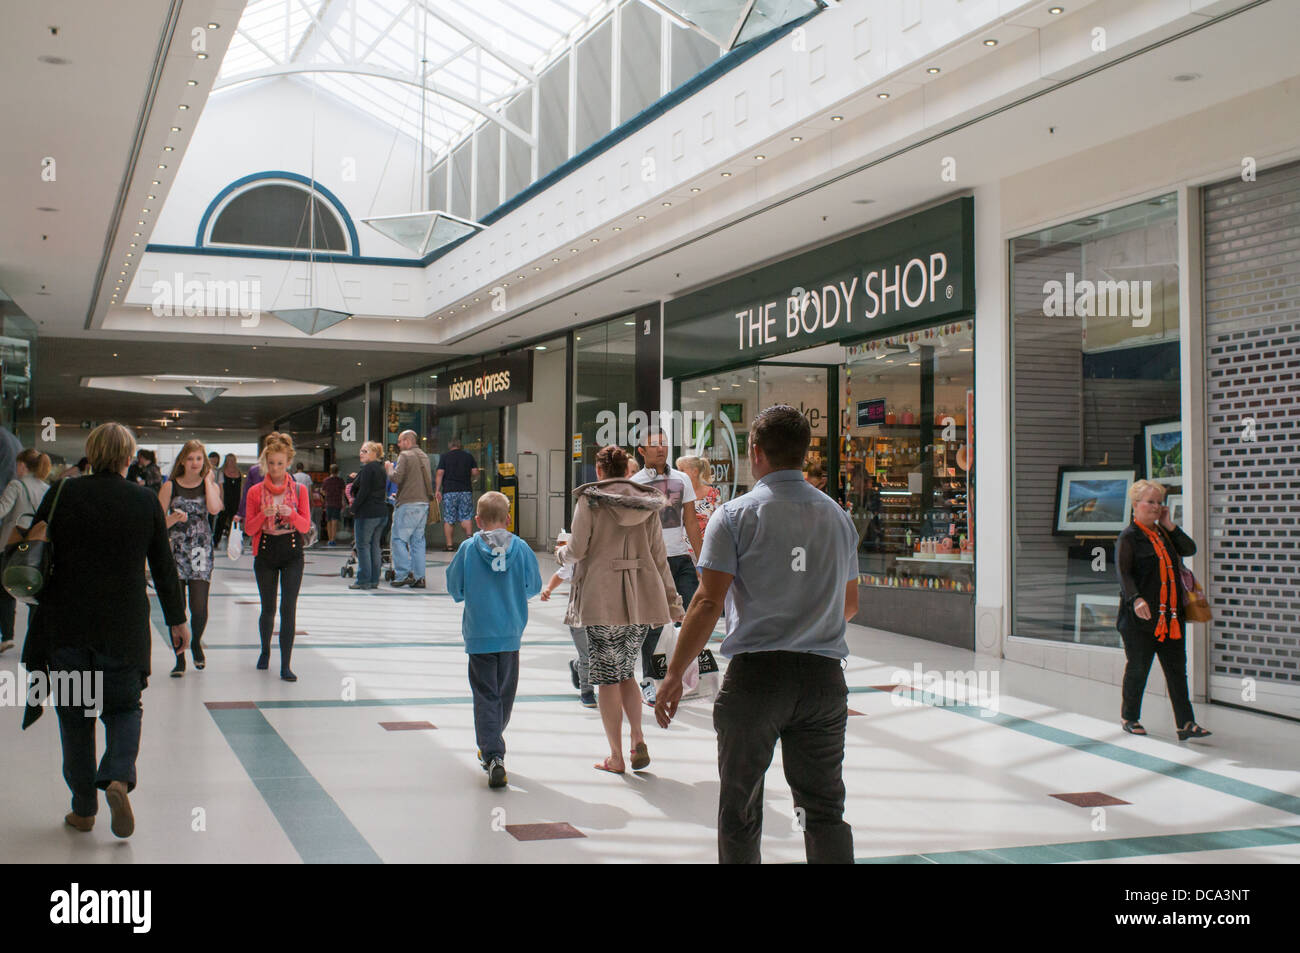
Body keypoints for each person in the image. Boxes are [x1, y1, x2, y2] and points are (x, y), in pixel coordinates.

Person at [655, 405, 860, 864]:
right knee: (823, 808)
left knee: (742, 805)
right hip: (823, 681)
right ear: (805, 454)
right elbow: (850, 604)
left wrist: (673, 674)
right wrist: (808, 613)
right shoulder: (838, 518)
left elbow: (707, 603)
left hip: (757, 681)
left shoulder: (735, 515)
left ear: (755, 453)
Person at [21, 423, 190, 838]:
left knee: (76, 718)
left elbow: (32, 543)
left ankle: (83, 810)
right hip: (123, 627)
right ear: (129, 457)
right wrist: (177, 620)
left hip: (67, 626)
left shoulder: (63, 493)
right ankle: (116, 775)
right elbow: (164, 568)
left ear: (91, 453)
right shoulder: (144, 500)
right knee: (123, 708)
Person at [559, 445, 684, 774]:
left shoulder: (590, 500)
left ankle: (616, 756)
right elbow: (659, 557)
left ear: (599, 472)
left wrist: (560, 555)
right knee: (627, 672)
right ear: (627, 471)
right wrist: (673, 602)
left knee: (606, 680)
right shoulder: (648, 503)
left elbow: (577, 548)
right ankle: (637, 738)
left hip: (602, 599)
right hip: (641, 599)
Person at [446, 491, 542, 788]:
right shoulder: (522, 548)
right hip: (510, 634)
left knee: (485, 695)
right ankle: (492, 745)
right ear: (509, 519)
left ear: (477, 521)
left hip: (479, 635)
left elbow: (455, 587)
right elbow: (533, 585)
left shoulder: (467, 549)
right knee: (504, 696)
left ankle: (492, 752)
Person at [1116, 479, 1211, 741]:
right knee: (1138, 669)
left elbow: (1190, 548)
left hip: (1170, 618)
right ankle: (1130, 717)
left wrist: (1170, 524)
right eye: (1151, 502)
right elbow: (1123, 573)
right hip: (1140, 621)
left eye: (1160, 503)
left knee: (1177, 672)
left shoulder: (1164, 533)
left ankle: (1185, 723)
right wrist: (1136, 599)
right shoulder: (1129, 537)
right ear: (1136, 505)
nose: (1156, 507)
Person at [631, 430, 704, 704]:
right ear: (642, 450)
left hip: (680, 558)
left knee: (692, 616)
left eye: (664, 443)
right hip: (651, 562)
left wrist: (702, 561)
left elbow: (692, 524)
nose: (661, 449)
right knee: (654, 622)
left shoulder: (682, 478)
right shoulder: (636, 483)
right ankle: (649, 679)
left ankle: (683, 673)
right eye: (654, 444)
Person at [243, 432, 312, 681]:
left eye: (280, 463)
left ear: (288, 463)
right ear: (264, 463)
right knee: (268, 608)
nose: (275, 468)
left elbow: (305, 526)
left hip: (292, 550)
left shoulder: (300, 490)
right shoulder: (254, 491)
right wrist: (263, 514)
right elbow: (249, 529)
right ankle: (264, 651)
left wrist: (291, 514)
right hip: (266, 551)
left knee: (288, 608)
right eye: (271, 463)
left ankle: (286, 664)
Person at [158, 440, 223, 676]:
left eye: (199, 459)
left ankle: (196, 643)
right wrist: (174, 518)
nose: (195, 463)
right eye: (191, 458)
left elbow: (215, 509)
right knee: (178, 606)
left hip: (200, 550)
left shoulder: (210, 484)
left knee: (199, 605)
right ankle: (180, 658)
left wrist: (208, 482)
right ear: (183, 461)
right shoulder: (170, 487)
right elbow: (156, 523)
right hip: (176, 550)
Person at [0, 449, 51, 654]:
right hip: (37, 548)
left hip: (11, 546)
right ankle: (34, 641)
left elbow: (2, 509)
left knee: (4, 591)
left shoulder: (16, 485)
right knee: (34, 593)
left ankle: (7, 636)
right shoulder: (46, 488)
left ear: (22, 465)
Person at [540, 530, 596, 708]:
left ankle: (576, 665)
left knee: (593, 653)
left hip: (599, 615)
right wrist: (548, 588)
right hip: (578, 615)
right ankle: (587, 691)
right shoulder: (575, 560)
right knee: (587, 654)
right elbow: (561, 573)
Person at [386, 430, 434, 588]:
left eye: (400, 441)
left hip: (408, 503)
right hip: (423, 503)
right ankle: (419, 577)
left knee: (398, 539)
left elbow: (397, 478)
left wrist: (389, 468)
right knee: (418, 541)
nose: (399, 445)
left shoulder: (405, 456)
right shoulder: (424, 456)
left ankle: (403, 574)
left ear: (407, 441)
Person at [347, 442, 388, 591]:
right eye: (361, 450)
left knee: (363, 546)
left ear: (374, 454)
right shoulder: (380, 468)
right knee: (375, 546)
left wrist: (353, 508)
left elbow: (363, 491)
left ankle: (363, 580)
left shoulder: (368, 468)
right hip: (381, 512)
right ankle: (373, 580)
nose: (361, 453)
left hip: (367, 513)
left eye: (365, 451)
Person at [435, 437, 479, 552]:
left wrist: (437, 490)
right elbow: (475, 472)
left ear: (450, 446)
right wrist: (473, 479)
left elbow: (440, 473)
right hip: (465, 490)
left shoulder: (445, 457)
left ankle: (449, 545)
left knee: (449, 519)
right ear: (460, 445)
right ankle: (470, 542)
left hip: (449, 491)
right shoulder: (468, 456)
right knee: (466, 516)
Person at [676, 454, 720, 543]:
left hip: (706, 546)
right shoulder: (677, 494)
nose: (678, 473)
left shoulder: (713, 494)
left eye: (681, 470)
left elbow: (718, 523)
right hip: (682, 550)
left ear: (695, 472)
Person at [212, 454, 243, 548]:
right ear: (226, 461)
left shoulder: (239, 472)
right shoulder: (221, 472)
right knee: (221, 521)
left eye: (233, 460)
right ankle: (216, 541)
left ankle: (234, 542)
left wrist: (241, 501)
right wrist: (221, 501)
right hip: (226, 500)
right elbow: (221, 488)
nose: (231, 462)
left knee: (235, 522)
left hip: (236, 500)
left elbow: (241, 487)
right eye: (229, 460)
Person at [321, 464, 345, 546]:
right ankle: (333, 539)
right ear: (337, 471)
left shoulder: (326, 480)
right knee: (335, 521)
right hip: (337, 502)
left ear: (330, 471)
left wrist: (326, 495)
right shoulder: (340, 480)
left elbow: (322, 491)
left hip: (328, 502)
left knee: (328, 521)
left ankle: (329, 538)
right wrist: (343, 502)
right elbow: (343, 492)